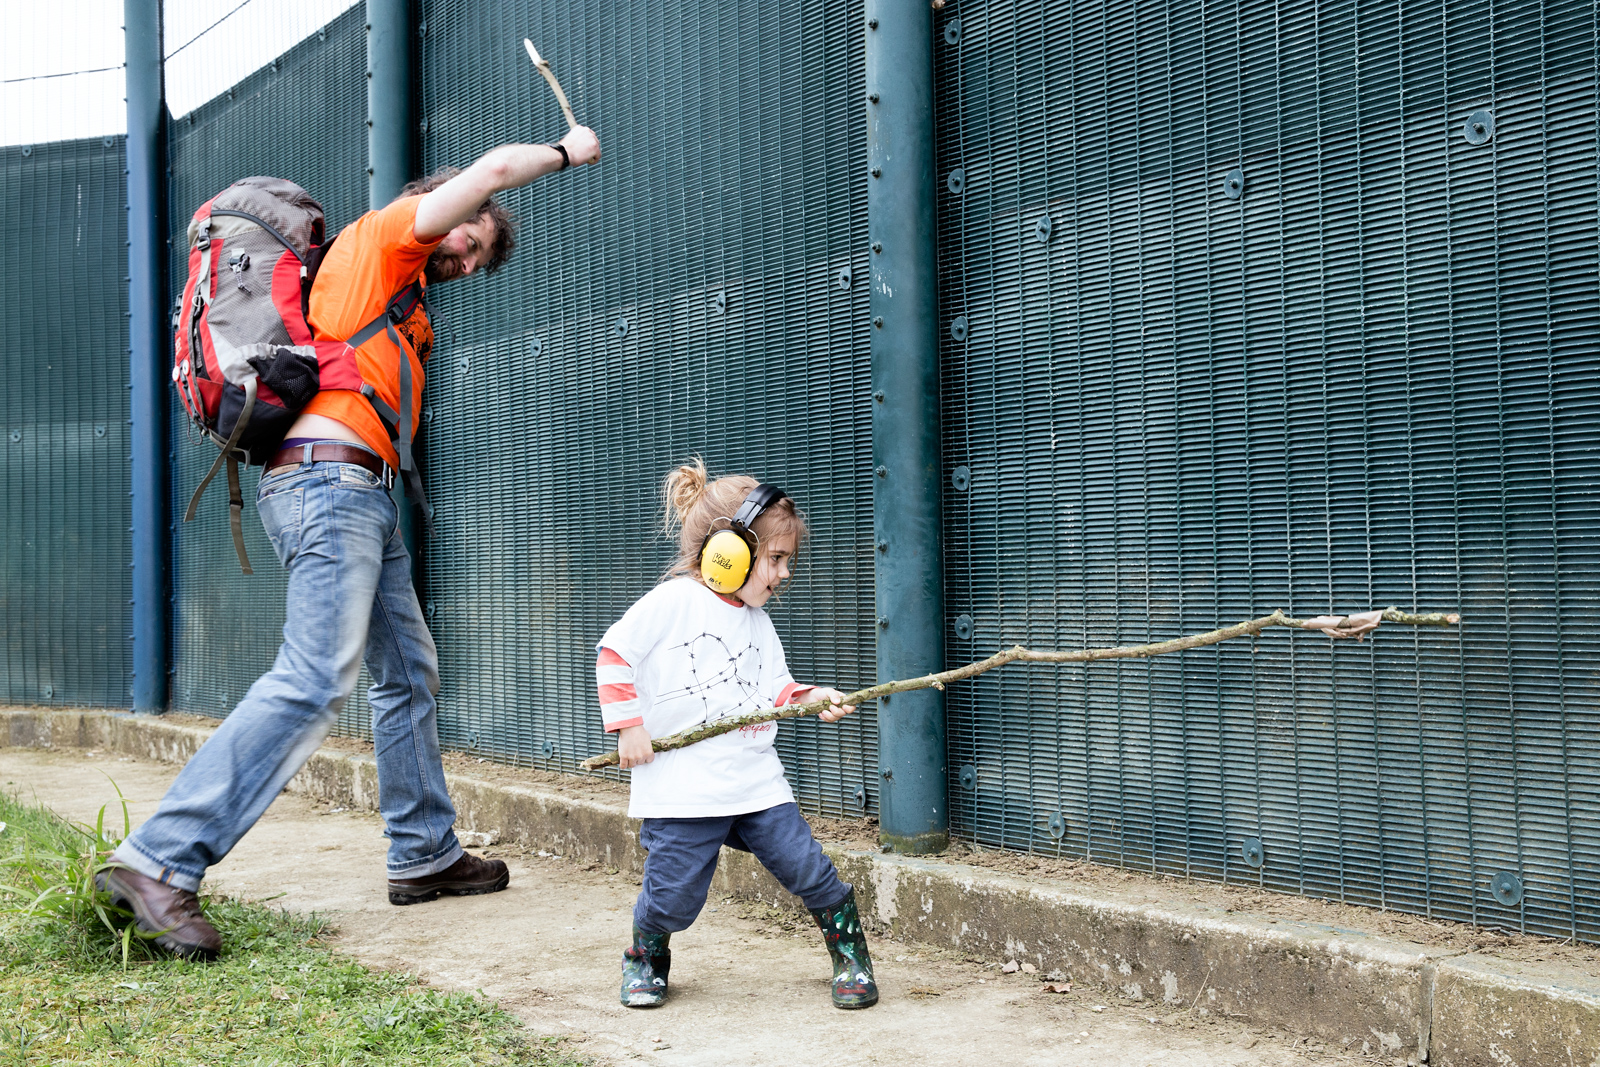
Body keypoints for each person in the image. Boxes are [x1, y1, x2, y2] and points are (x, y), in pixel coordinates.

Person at [99, 125, 602, 959]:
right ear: (449, 209)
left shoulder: (399, 310)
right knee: (312, 679)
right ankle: (158, 858)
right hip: (327, 485)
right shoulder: (385, 239)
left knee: (407, 673)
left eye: (477, 258)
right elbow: (496, 169)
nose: (468, 261)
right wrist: (563, 150)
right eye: (472, 238)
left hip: (357, 492)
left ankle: (425, 853)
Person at [595, 458, 879, 1010]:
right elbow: (614, 654)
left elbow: (772, 688)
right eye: (775, 558)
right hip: (683, 790)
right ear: (729, 552)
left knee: (808, 868)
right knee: (674, 896)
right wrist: (628, 726)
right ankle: (647, 958)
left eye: (787, 560)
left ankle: (851, 956)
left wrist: (807, 698)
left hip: (755, 783)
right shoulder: (672, 602)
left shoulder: (756, 621)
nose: (785, 573)